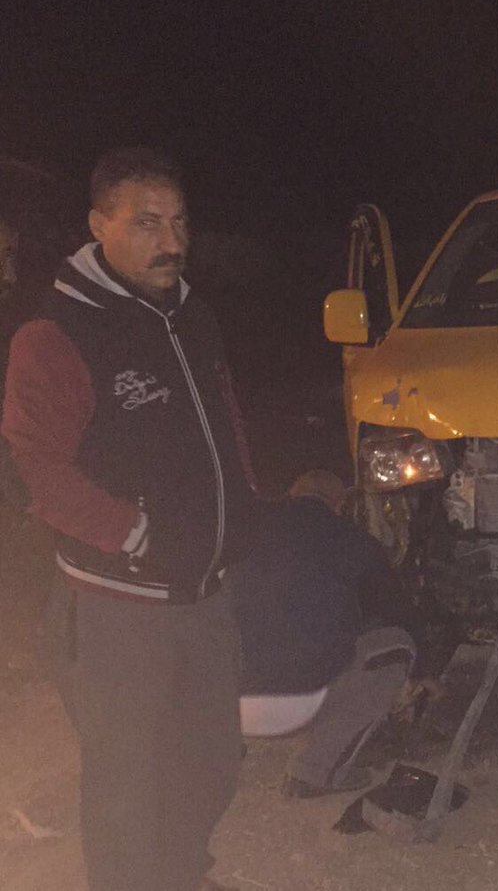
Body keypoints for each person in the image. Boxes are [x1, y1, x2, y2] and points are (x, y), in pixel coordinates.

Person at [1, 148, 257, 891]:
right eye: (146, 223)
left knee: (213, 761)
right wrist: (133, 534)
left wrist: (243, 501)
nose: (170, 241)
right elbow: (29, 468)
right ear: (98, 225)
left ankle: (178, 874)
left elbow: (225, 418)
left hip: (205, 590)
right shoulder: (57, 334)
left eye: (179, 221)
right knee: (126, 784)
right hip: (118, 603)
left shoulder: (192, 315)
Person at [232, 469, 421, 798]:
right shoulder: (354, 540)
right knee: (397, 646)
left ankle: (211, 752)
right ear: (339, 504)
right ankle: (315, 771)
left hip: (231, 707)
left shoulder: (240, 534)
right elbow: (397, 612)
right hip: (299, 707)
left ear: (292, 494)